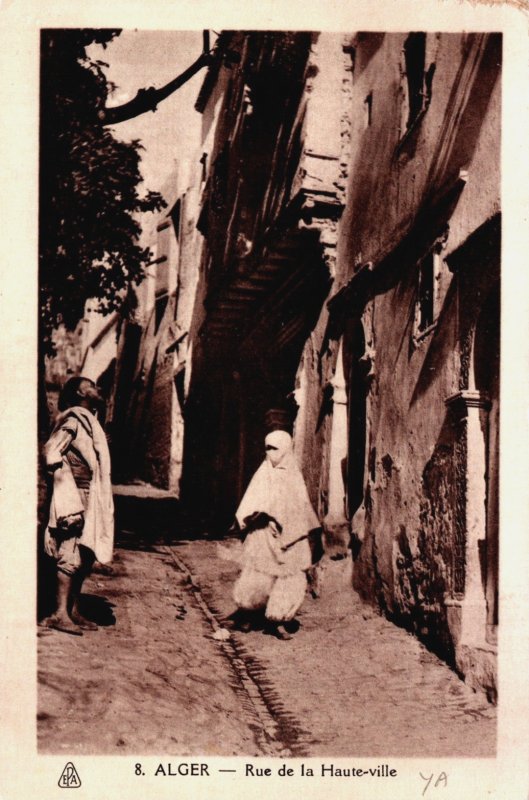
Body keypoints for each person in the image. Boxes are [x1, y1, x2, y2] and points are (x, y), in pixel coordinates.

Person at [40, 377, 114, 635]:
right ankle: (57, 613)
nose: (97, 388)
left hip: (90, 494)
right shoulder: (72, 420)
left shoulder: (88, 420)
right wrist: (67, 486)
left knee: (85, 554)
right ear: (80, 392)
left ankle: (72, 610)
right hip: (76, 495)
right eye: (91, 385)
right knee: (69, 551)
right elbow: (51, 452)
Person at [233, 430, 320, 640]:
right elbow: (251, 503)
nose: (270, 452)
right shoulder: (263, 473)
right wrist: (262, 517)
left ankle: (279, 619)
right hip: (263, 532)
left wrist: (287, 525)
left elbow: (300, 506)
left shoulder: (293, 475)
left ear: (286, 449)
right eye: (268, 448)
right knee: (257, 572)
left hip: (289, 536)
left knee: (290, 575)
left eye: (275, 448)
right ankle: (248, 613)